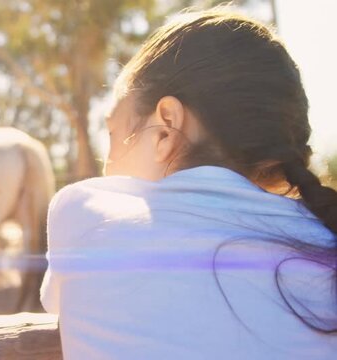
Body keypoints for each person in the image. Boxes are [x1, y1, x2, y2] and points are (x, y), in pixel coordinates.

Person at [40, 9, 337, 359]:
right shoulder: (323, 239)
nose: (107, 165)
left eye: (113, 134)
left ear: (166, 127)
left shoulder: (83, 212)